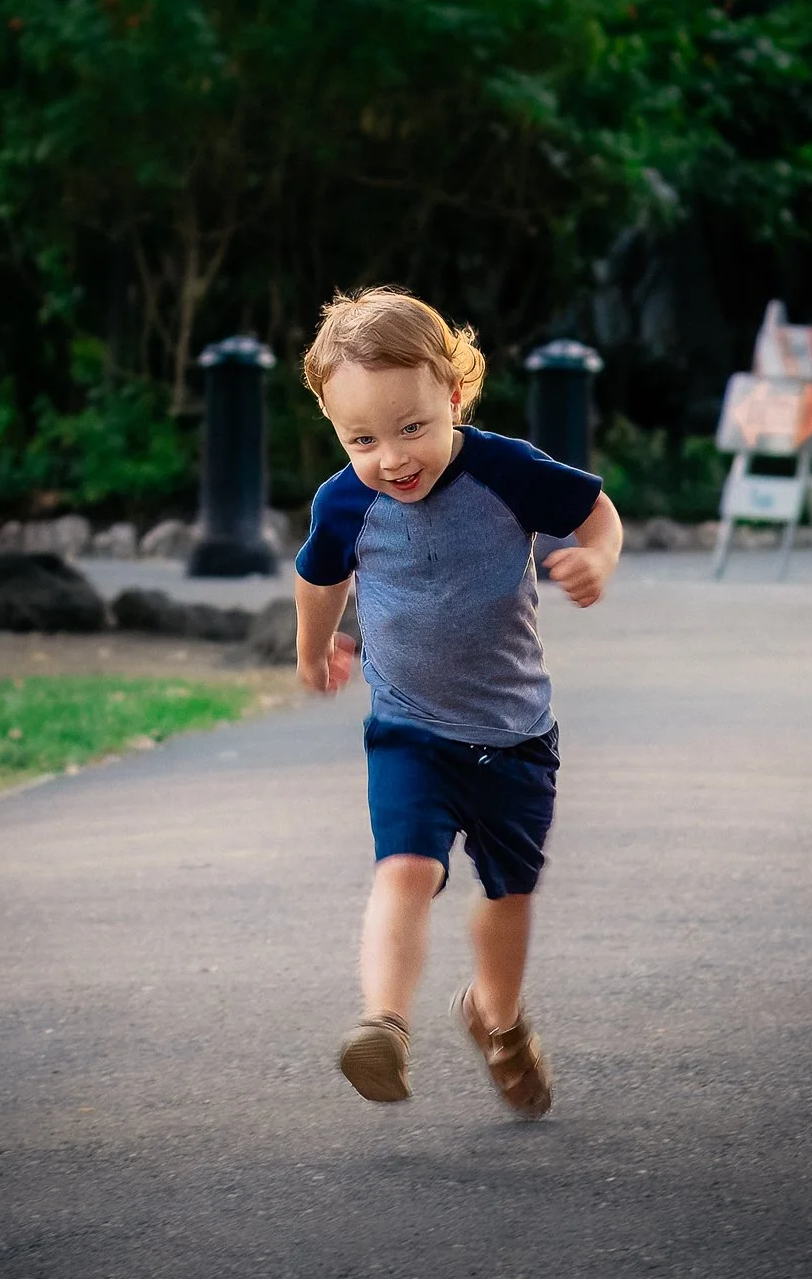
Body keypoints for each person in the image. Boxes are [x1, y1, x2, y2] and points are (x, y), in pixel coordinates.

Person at [293, 285, 622, 1119]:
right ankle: (385, 1025)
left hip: (515, 736)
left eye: (411, 428)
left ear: (454, 394)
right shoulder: (344, 501)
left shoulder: (506, 469)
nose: (392, 457)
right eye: (361, 438)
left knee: (507, 896)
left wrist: (600, 559)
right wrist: (315, 647)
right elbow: (318, 577)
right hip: (409, 729)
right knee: (405, 868)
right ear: (335, 428)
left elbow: (596, 513)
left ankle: (498, 1021)